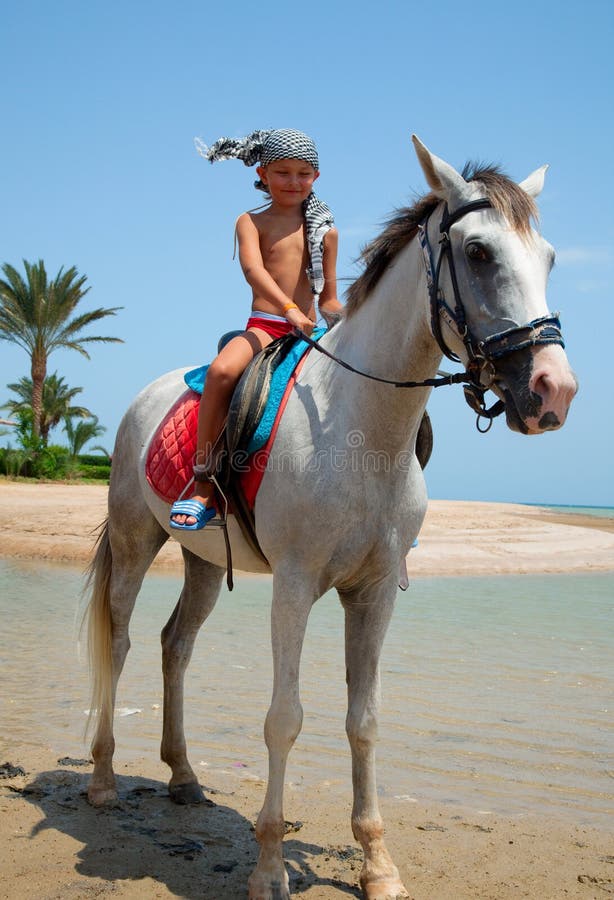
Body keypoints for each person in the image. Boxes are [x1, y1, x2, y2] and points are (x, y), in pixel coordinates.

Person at [170, 128, 343, 530]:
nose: (294, 182)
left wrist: (345, 317)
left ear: (316, 177)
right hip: (266, 326)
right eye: (283, 173)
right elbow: (254, 271)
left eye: (303, 173)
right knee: (222, 372)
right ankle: (204, 485)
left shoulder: (326, 231)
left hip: (309, 334)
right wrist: (289, 309)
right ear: (263, 173)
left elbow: (329, 297)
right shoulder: (250, 221)